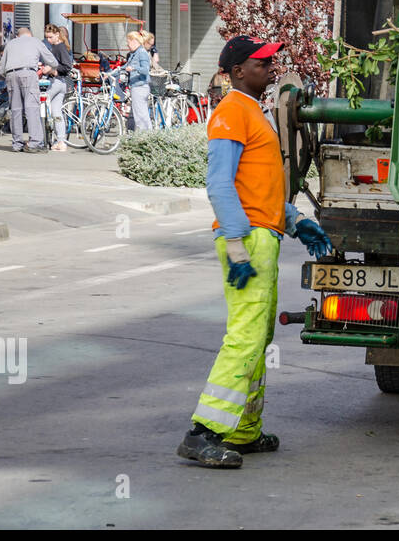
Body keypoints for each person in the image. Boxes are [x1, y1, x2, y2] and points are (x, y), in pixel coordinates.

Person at [177, 36, 334, 469]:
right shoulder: (231, 112)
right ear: (237, 71)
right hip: (247, 239)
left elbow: (257, 186)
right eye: (261, 62)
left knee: (259, 335)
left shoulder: (253, 112)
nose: (270, 67)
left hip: (262, 233)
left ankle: (243, 430)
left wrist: (295, 219)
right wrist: (235, 243)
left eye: (270, 61)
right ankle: (203, 433)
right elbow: (219, 183)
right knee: (244, 337)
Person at [0, 26, 57, 153]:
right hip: (28, 74)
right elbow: (53, 61)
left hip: (11, 74)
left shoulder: (10, 44)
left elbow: (1, 69)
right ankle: (34, 143)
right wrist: (45, 67)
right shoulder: (36, 41)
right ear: (30, 34)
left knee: (15, 109)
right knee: (31, 108)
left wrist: (10, 75)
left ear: (17, 36)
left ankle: (17, 144)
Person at [41, 24, 74, 152]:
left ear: (57, 35)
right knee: (56, 113)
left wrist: (53, 70)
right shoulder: (60, 46)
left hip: (56, 81)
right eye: (46, 37)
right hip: (62, 84)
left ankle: (40, 138)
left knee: (40, 105)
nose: (48, 40)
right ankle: (61, 141)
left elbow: (67, 66)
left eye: (50, 37)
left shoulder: (59, 47)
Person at [116, 30, 152, 131]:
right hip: (138, 87)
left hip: (140, 87)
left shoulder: (141, 52)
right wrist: (111, 73)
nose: (128, 45)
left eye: (128, 42)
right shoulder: (135, 53)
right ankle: (148, 136)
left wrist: (134, 68)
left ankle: (144, 138)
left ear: (134, 41)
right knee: (141, 115)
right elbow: (125, 66)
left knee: (140, 116)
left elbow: (145, 69)